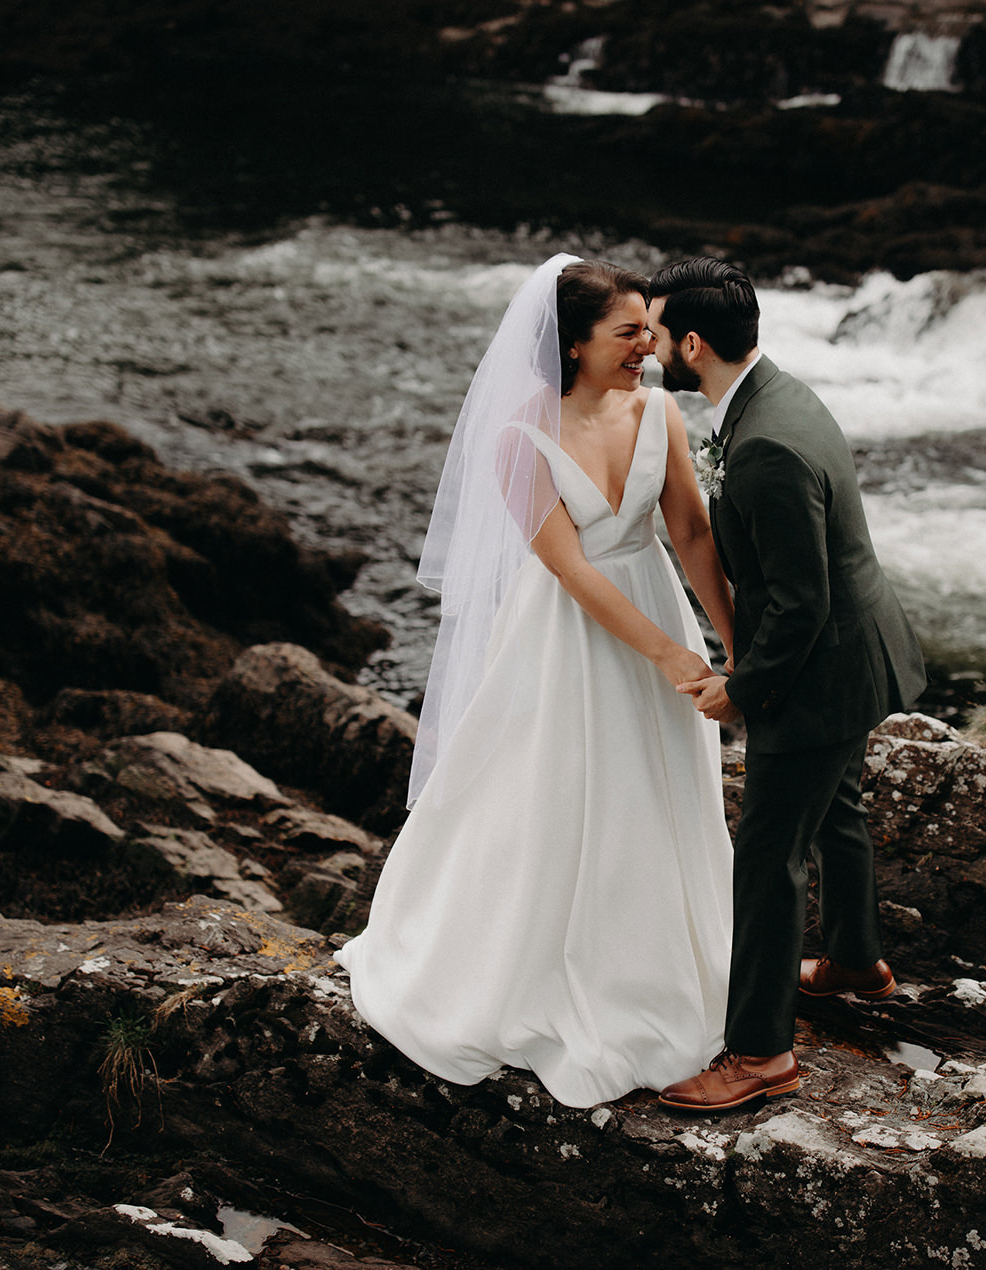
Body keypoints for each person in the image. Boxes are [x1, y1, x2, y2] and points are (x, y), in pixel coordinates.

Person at [335, 255, 739, 1108]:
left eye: (647, 329)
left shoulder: (660, 409)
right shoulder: (518, 437)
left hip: (653, 597)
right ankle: (517, 971)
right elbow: (572, 573)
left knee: (659, 796)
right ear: (576, 344)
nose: (647, 345)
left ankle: (658, 972)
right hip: (567, 636)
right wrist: (669, 656)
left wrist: (738, 647)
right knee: (556, 792)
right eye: (627, 332)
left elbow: (693, 534)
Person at [648, 258, 927, 1113]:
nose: (648, 343)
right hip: (860, 651)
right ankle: (854, 961)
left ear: (691, 345)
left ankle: (760, 1053)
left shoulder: (765, 444)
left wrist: (743, 686)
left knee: (767, 858)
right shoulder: (771, 396)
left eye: (655, 330)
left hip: (821, 670)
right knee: (837, 807)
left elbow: (800, 604)